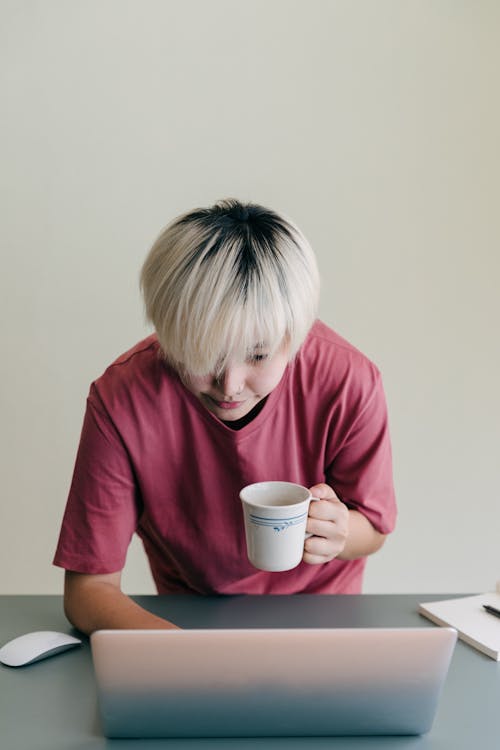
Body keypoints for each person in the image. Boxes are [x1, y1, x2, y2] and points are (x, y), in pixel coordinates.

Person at [53, 199, 397, 634]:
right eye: (203, 355)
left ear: (296, 335)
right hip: (189, 620)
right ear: (168, 332)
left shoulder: (348, 381)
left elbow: (376, 529)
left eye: (258, 355)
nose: (230, 384)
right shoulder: (122, 400)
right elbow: (88, 589)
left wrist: (342, 530)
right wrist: (182, 652)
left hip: (322, 621)